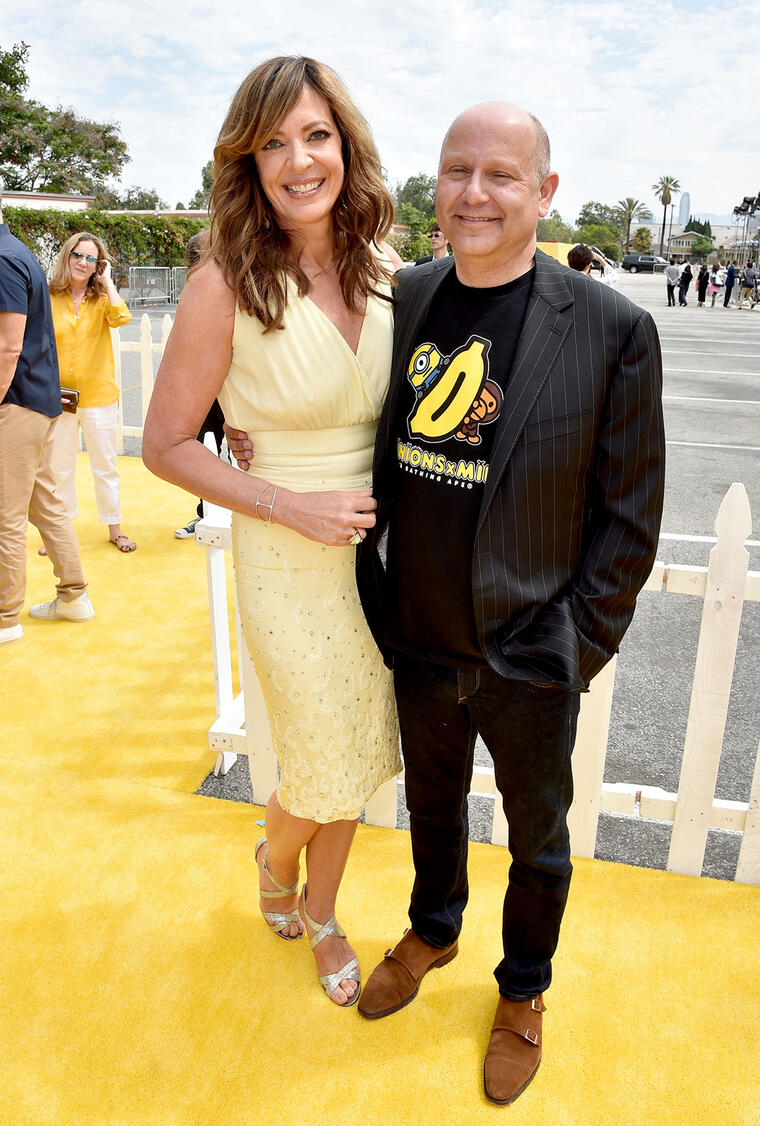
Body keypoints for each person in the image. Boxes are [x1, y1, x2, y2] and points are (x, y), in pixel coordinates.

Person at [352, 102, 664, 1105]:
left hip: (530, 652)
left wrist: (575, 644)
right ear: (432, 185)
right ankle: (434, 928)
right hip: (418, 636)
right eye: (455, 171)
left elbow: (628, 515)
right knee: (430, 809)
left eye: (500, 174)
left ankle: (523, 990)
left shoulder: (610, 326)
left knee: (539, 840)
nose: (474, 193)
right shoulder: (405, 295)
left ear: (544, 191)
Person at [143, 56, 402, 1008]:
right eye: (272, 143)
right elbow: (165, 444)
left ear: (346, 142)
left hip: (377, 557)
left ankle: (316, 900)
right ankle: (279, 866)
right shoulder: (226, 282)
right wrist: (285, 500)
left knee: (364, 747)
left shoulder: (386, 267)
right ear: (246, 163)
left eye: (316, 135)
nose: (299, 160)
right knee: (325, 749)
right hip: (284, 547)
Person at [0, 187, 94, 643]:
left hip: (15, 404)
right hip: (37, 401)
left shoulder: (2, 259)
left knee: (6, 515)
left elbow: (8, 345)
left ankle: (4, 617)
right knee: (44, 505)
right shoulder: (17, 253)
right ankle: (74, 596)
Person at [48, 232, 135, 551]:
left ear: (99, 265)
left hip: (99, 396)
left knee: (105, 465)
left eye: (91, 259)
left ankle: (115, 528)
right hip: (58, 397)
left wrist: (108, 281)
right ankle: (60, 532)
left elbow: (121, 317)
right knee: (59, 467)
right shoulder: (49, 295)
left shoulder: (102, 298)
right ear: (67, 256)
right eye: (77, 255)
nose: (82, 263)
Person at [173, 231, 227, 539]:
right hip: (205, 390)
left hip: (230, 389)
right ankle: (206, 514)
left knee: (231, 452)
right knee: (205, 448)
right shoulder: (194, 291)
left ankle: (220, 513)